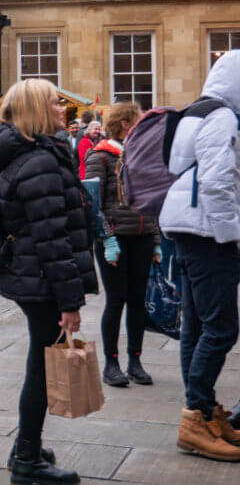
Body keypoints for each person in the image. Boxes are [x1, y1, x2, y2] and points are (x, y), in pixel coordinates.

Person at [0, 78, 97, 483]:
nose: (63, 110)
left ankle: (25, 445)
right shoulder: (39, 161)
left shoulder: (21, 154)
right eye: (54, 104)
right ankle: (27, 459)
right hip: (43, 276)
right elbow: (51, 236)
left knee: (39, 362)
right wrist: (70, 301)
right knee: (44, 368)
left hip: (29, 271)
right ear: (35, 111)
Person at [160, 49, 240, 461]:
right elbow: (216, 181)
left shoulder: (198, 110)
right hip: (208, 232)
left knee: (197, 326)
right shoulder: (223, 116)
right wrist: (232, 236)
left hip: (188, 228)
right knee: (222, 328)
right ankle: (196, 419)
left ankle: (203, 412)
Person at [83, 102, 160, 389]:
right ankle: (112, 363)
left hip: (140, 236)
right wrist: (106, 238)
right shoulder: (100, 156)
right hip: (114, 239)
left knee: (138, 301)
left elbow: (151, 200)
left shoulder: (140, 154)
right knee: (116, 300)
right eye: (138, 121)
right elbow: (92, 203)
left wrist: (155, 241)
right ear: (126, 124)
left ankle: (135, 361)